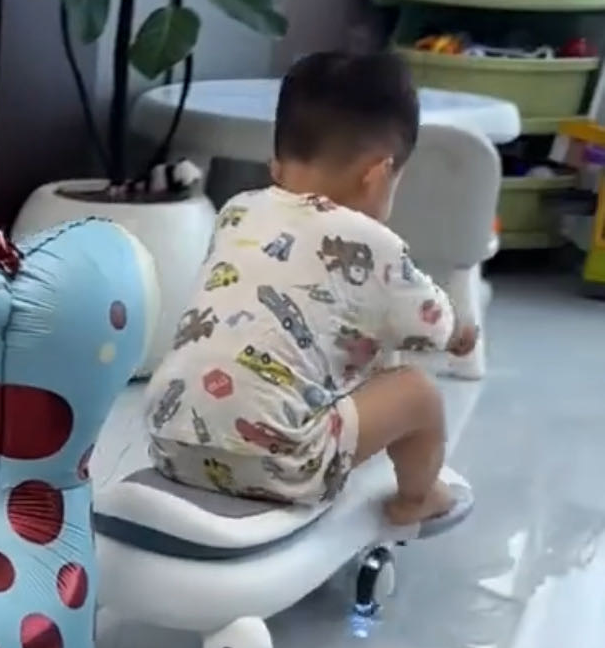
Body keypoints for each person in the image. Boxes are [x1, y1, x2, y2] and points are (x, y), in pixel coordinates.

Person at [145, 51, 479, 526]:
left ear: (276, 166)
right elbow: (433, 327)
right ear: (377, 175)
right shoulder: (373, 244)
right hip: (282, 460)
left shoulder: (236, 211)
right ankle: (418, 497)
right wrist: (460, 331)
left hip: (169, 440)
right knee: (417, 392)